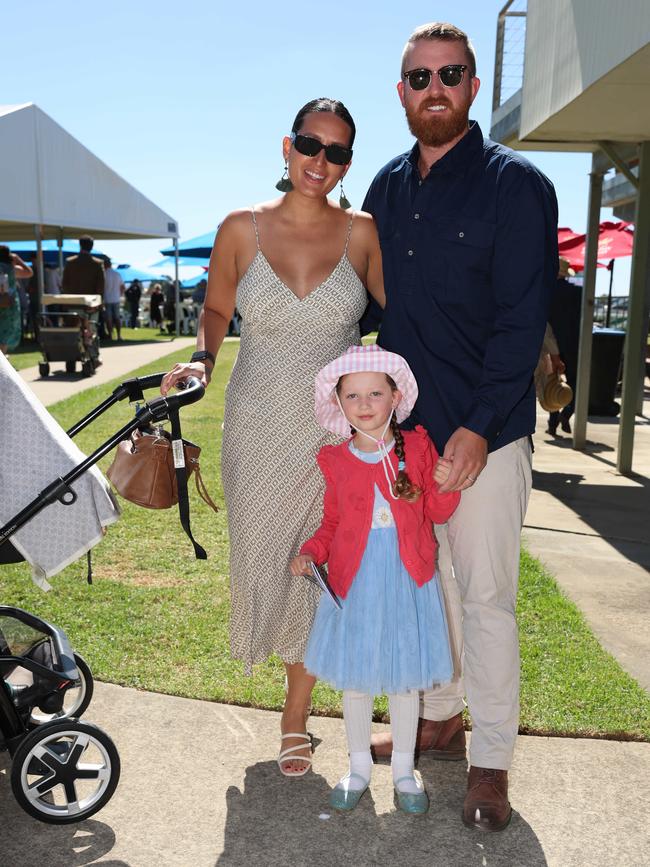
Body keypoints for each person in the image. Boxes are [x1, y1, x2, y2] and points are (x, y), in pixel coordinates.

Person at [361, 22, 558, 831]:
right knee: (424, 588)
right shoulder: (384, 188)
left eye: (450, 74)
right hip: (407, 439)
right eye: (418, 78)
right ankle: (440, 719)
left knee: (485, 598)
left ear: (474, 86)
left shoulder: (519, 187)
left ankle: (492, 762)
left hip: (488, 435)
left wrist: (478, 428)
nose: (433, 88)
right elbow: (369, 309)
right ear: (402, 93)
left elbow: (521, 323)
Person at [161, 98, 385, 776]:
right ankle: (293, 696)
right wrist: (201, 359)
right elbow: (217, 308)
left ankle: (295, 719)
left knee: (318, 568)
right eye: (311, 145)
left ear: (348, 164)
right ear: (287, 147)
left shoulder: (363, 233)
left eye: (338, 152)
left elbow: (406, 316)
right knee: (267, 561)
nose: (321, 161)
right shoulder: (240, 228)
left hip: (335, 433)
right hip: (257, 427)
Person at [290, 345, 459, 813]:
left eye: (375, 393)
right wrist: (311, 551)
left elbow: (435, 511)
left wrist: (444, 484)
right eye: (353, 396)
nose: (365, 404)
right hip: (357, 583)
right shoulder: (337, 461)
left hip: (407, 580)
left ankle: (405, 769)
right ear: (339, 404)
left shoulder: (419, 447)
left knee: (406, 681)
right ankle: (359, 765)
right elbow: (331, 524)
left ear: (394, 397)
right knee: (357, 682)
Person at [547, 257, 581, 435]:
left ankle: (552, 422)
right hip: (573, 345)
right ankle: (567, 414)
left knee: (552, 384)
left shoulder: (545, 292)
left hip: (551, 346)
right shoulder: (577, 293)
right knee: (575, 383)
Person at [0, 246, 33, 356]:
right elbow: (29, 272)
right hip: (10, 305)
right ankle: (2, 360)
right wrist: (17, 259)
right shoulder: (12, 269)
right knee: (4, 336)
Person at [102, 258, 125, 340]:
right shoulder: (117, 274)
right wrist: (119, 295)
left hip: (107, 299)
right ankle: (119, 335)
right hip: (116, 299)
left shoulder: (104, 274)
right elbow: (122, 287)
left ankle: (111, 335)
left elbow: (101, 288)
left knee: (109, 319)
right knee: (117, 317)